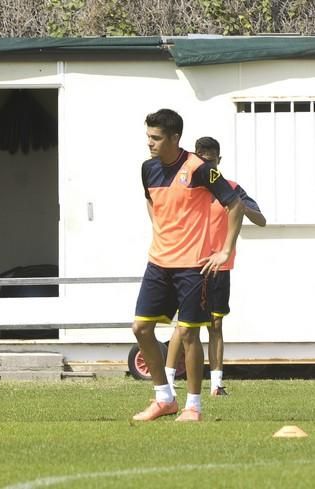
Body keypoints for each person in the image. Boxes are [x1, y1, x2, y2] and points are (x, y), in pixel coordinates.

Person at [132, 109, 244, 422]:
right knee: (141, 328)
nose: (150, 143)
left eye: (155, 137)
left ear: (174, 138)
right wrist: (161, 229)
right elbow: (151, 202)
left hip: (193, 266)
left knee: (190, 333)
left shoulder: (199, 168)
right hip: (158, 262)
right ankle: (164, 398)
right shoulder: (147, 169)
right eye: (148, 136)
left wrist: (224, 250)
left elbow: (234, 204)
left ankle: (193, 405)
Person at [165, 137, 266, 397]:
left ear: (219, 161)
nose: (207, 164)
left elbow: (261, 220)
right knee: (185, 325)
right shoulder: (188, 187)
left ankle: (217, 384)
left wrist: (239, 205)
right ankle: (168, 382)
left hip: (220, 267)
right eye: (202, 159)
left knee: (216, 325)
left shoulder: (232, 188)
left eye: (211, 159)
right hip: (191, 263)